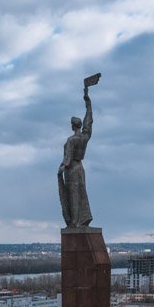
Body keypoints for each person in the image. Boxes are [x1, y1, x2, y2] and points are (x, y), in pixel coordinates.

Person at [58, 86, 94, 228]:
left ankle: (74, 222)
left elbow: (67, 158)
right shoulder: (85, 136)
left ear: (73, 126)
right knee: (81, 194)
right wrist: (88, 102)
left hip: (72, 168)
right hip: (81, 168)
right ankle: (82, 219)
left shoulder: (71, 140)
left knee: (73, 195)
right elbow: (89, 121)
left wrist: (61, 168)